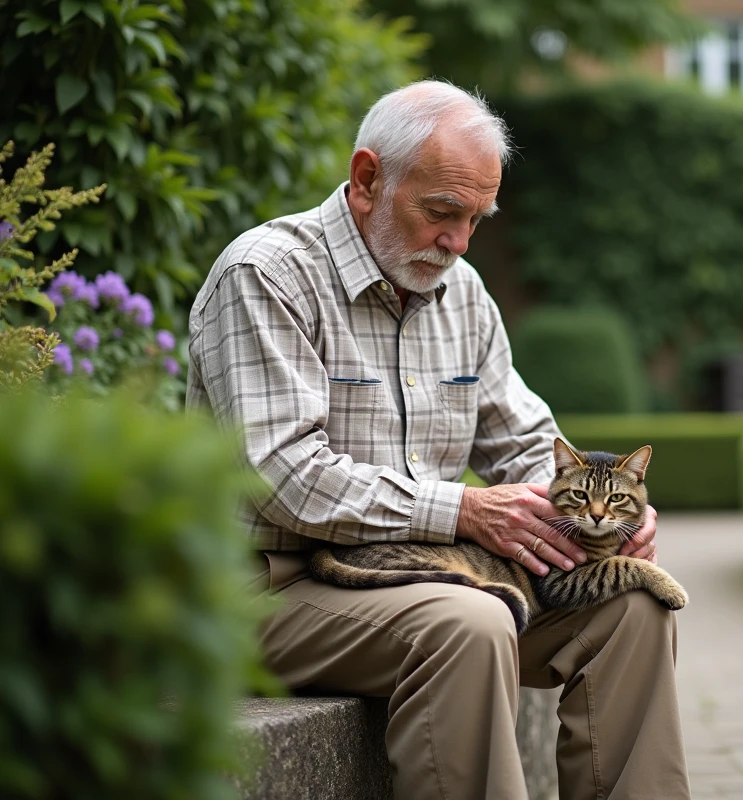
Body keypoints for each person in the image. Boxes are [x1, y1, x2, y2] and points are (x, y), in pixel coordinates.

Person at [186, 80, 691, 800]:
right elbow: (282, 473)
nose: (457, 242)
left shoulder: (464, 292)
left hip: (417, 575)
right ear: (367, 180)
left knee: (635, 607)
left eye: (477, 219)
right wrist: (461, 510)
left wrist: (618, 517)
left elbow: (526, 443)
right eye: (441, 213)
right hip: (271, 588)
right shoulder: (266, 275)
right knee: (470, 621)